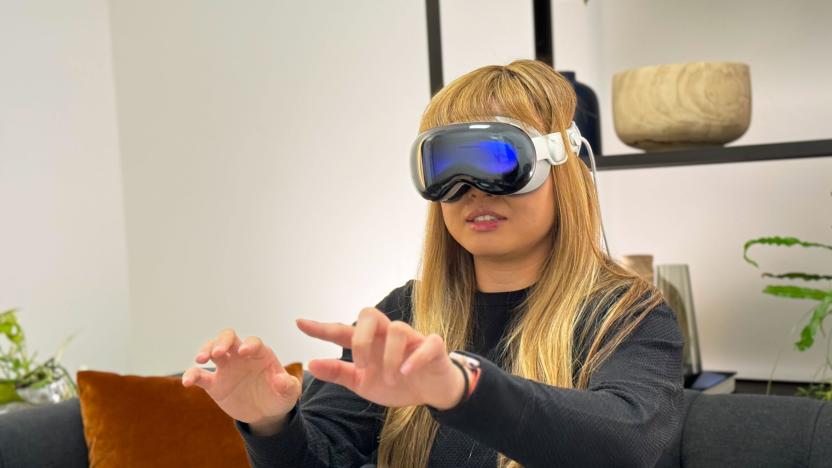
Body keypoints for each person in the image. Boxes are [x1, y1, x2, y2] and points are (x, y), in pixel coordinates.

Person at [182, 59, 684, 468]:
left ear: (560, 166)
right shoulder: (404, 313)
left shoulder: (627, 315)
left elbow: (626, 442)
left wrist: (463, 388)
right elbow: (322, 458)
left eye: (497, 159)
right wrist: (271, 423)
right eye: (447, 167)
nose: (470, 191)